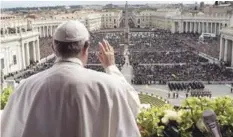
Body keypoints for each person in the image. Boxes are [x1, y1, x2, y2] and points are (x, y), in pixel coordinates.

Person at [1, 20, 141, 137]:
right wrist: (111, 67)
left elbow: (8, 129)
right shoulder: (108, 86)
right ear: (86, 48)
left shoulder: (25, 87)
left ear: (53, 48)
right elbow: (133, 108)